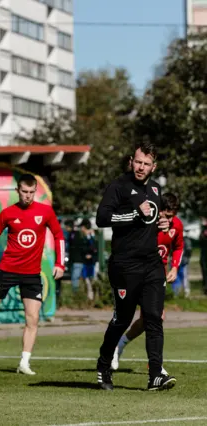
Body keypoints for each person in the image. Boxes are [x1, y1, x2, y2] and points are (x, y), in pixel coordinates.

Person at [95, 141, 175, 391]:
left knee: (153, 317)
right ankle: (104, 364)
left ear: (154, 166)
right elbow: (101, 218)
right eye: (138, 162)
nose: (141, 167)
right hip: (124, 265)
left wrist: (161, 225)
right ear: (131, 160)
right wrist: (132, 214)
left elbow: (151, 219)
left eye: (146, 164)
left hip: (151, 264)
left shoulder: (155, 188)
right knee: (123, 319)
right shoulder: (118, 186)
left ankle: (155, 376)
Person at [0, 173, 65, 375]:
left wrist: (59, 264)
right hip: (8, 271)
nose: (28, 196)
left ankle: (24, 362)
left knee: (33, 318)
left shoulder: (45, 212)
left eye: (31, 192)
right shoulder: (8, 213)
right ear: (17, 191)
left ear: (34, 191)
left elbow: (58, 235)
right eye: (24, 192)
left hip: (31, 274)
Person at [111, 193, 183, 375]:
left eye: (171, 216)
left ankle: (153, 364)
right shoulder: (146, 225)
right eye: (164, 215)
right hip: (134, 274)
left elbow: (179, 246)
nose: (167, 219)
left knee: (153, 318)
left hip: (156, 277)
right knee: (126, 315)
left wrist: (174, 267)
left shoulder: (177, 225)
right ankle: (115, 346)